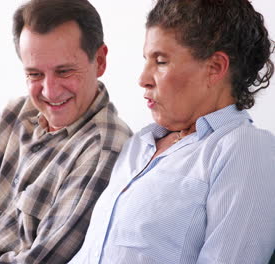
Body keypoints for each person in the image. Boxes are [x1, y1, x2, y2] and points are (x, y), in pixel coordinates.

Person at [0, 0, 131, 264]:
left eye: (64, 71)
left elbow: (43, 260)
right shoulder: (15, 113)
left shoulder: (104, 148)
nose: (50, 91)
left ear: (99, 61)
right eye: (34, 74)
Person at [69, 0, 275, 263]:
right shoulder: (139, 145)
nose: (142, 78)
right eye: (146, 60)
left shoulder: (245, 149)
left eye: (161, 61)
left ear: (215, 68)